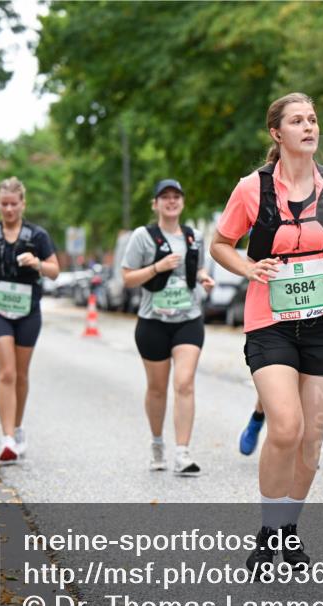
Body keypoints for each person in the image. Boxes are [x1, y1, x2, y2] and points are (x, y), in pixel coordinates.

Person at [210, 92, 323, 571]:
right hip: (270, 320)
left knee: (312, 436)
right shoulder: (252, 188)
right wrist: (247, 267)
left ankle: (286, 531)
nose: (309, 127)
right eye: (297, 120)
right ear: (276, 133)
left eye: (313, 119)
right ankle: (267, 529)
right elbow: (222, 243)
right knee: (286, 424)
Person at [121, 179, 215, 476]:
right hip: (153, 322)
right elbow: (127, 278)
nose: (171, 201)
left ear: (183, 202)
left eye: (176, 196)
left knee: (184, 382)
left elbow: (194, 267)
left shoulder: (194, 237)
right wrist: (156, 268)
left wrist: (202, 277)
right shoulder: (143, 237)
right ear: (155, 204)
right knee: (157, 388)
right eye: (165, 197)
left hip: (188, 318)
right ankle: (157, 443)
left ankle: (183, 453)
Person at [0, 177, 59, 463]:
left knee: (21, 375)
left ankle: (18, 428)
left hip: (28, 310)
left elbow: (55, 270)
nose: (9, 209)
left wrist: (38, 264)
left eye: (14, 204)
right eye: (4, 204)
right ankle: (7, 437)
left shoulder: (37, 237)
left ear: (23, 204)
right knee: (6, 372)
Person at [237, 249, 323, 456]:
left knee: (300, 387)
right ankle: (259, 419)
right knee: (282, 387)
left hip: (315, 320)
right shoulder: (266, 219)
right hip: (274, 319)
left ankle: (298, 446)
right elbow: (250, 253)